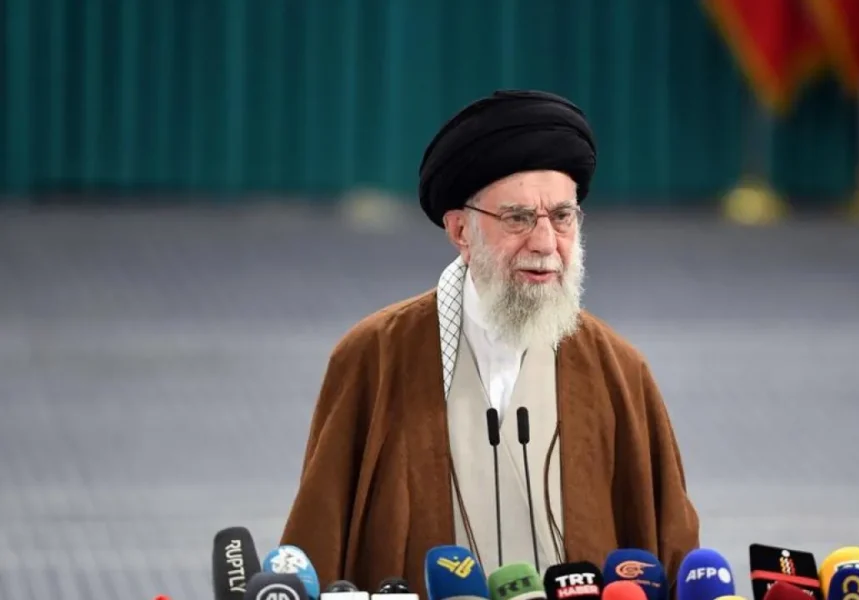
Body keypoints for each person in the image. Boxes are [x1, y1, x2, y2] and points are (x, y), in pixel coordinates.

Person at [280, 90, 699, 598]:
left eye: (562, 217)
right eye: (518, 218)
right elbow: (318, 544)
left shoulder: (619, 370)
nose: (545, 243)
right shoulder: (374, 358)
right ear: (461, 230)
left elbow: (671, 551)